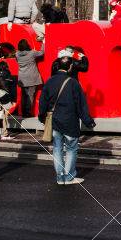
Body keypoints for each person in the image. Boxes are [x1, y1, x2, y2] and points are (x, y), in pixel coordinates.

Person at [38, 56, 94, 185]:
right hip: (70, 120)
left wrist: (42, 117)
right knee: (71, 148)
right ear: (70, 67)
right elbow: (81, 104)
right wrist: (88, 120)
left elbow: (43, 102)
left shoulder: (49, 81)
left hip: (55, 120)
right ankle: (69, 177)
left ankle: (60, 177)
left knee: (57, 148)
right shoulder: (73, 82)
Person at [14, 39, 45, 121]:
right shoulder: (32, 53)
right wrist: (43, 43)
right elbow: (42, 52)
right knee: (31, 95)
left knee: (24, 95)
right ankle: (28, 113)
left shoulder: (17, 54)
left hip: (22, 78)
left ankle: (24, 112)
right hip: (31, 77)